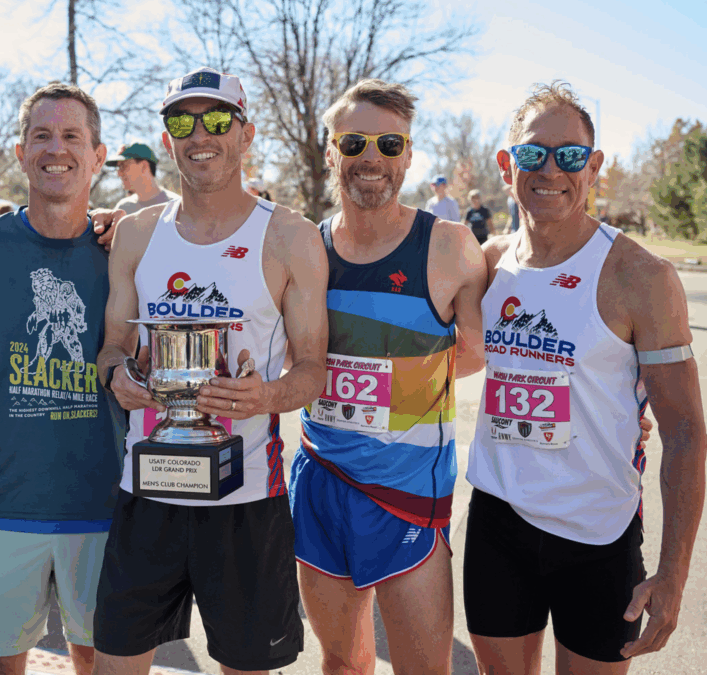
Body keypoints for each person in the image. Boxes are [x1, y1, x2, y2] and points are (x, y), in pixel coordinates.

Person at [93, 66, 329, 675]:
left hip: (245, 495)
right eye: (182, 122)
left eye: (218, 119)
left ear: (245, 133)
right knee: (113, 665)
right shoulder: (136, 234)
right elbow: (113, 347)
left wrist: (264, 396)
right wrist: (118, 375)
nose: (200, 134)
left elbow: (313, 371)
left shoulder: (290, 235)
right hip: (148, 488)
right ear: (166, 138)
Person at [465, 81, 706, 674]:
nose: (551, 169)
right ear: (507, 166)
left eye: (570, 155)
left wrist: (673, 575)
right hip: (498, 522)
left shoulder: (641, 277)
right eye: (532, 153)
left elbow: (685, 432)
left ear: (593, 167)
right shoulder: (488, 263)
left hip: (598, 534)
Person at [288, 79, 488, 675]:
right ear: (331, 152)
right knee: (341, 664)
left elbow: (477, 354)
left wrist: (404, 379)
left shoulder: (449, 245)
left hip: (407, 496)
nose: (371, 157)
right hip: (322, 480)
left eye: (388, 143)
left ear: (408, 154)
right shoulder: (305, 247)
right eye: (354, 142)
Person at [0, 82, 124, 675]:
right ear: (21, 154)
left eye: (72, 136)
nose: (56, 148)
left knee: (98, 661)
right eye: (41, 136)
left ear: (98, 156)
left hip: (104, 503)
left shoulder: (125, 249)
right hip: (3, 504)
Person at [106, 142, 179, 215]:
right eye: (118, 167)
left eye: (123, 166)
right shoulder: (123, 208)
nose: (119, 173)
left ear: (144, 166)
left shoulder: (176, 206)